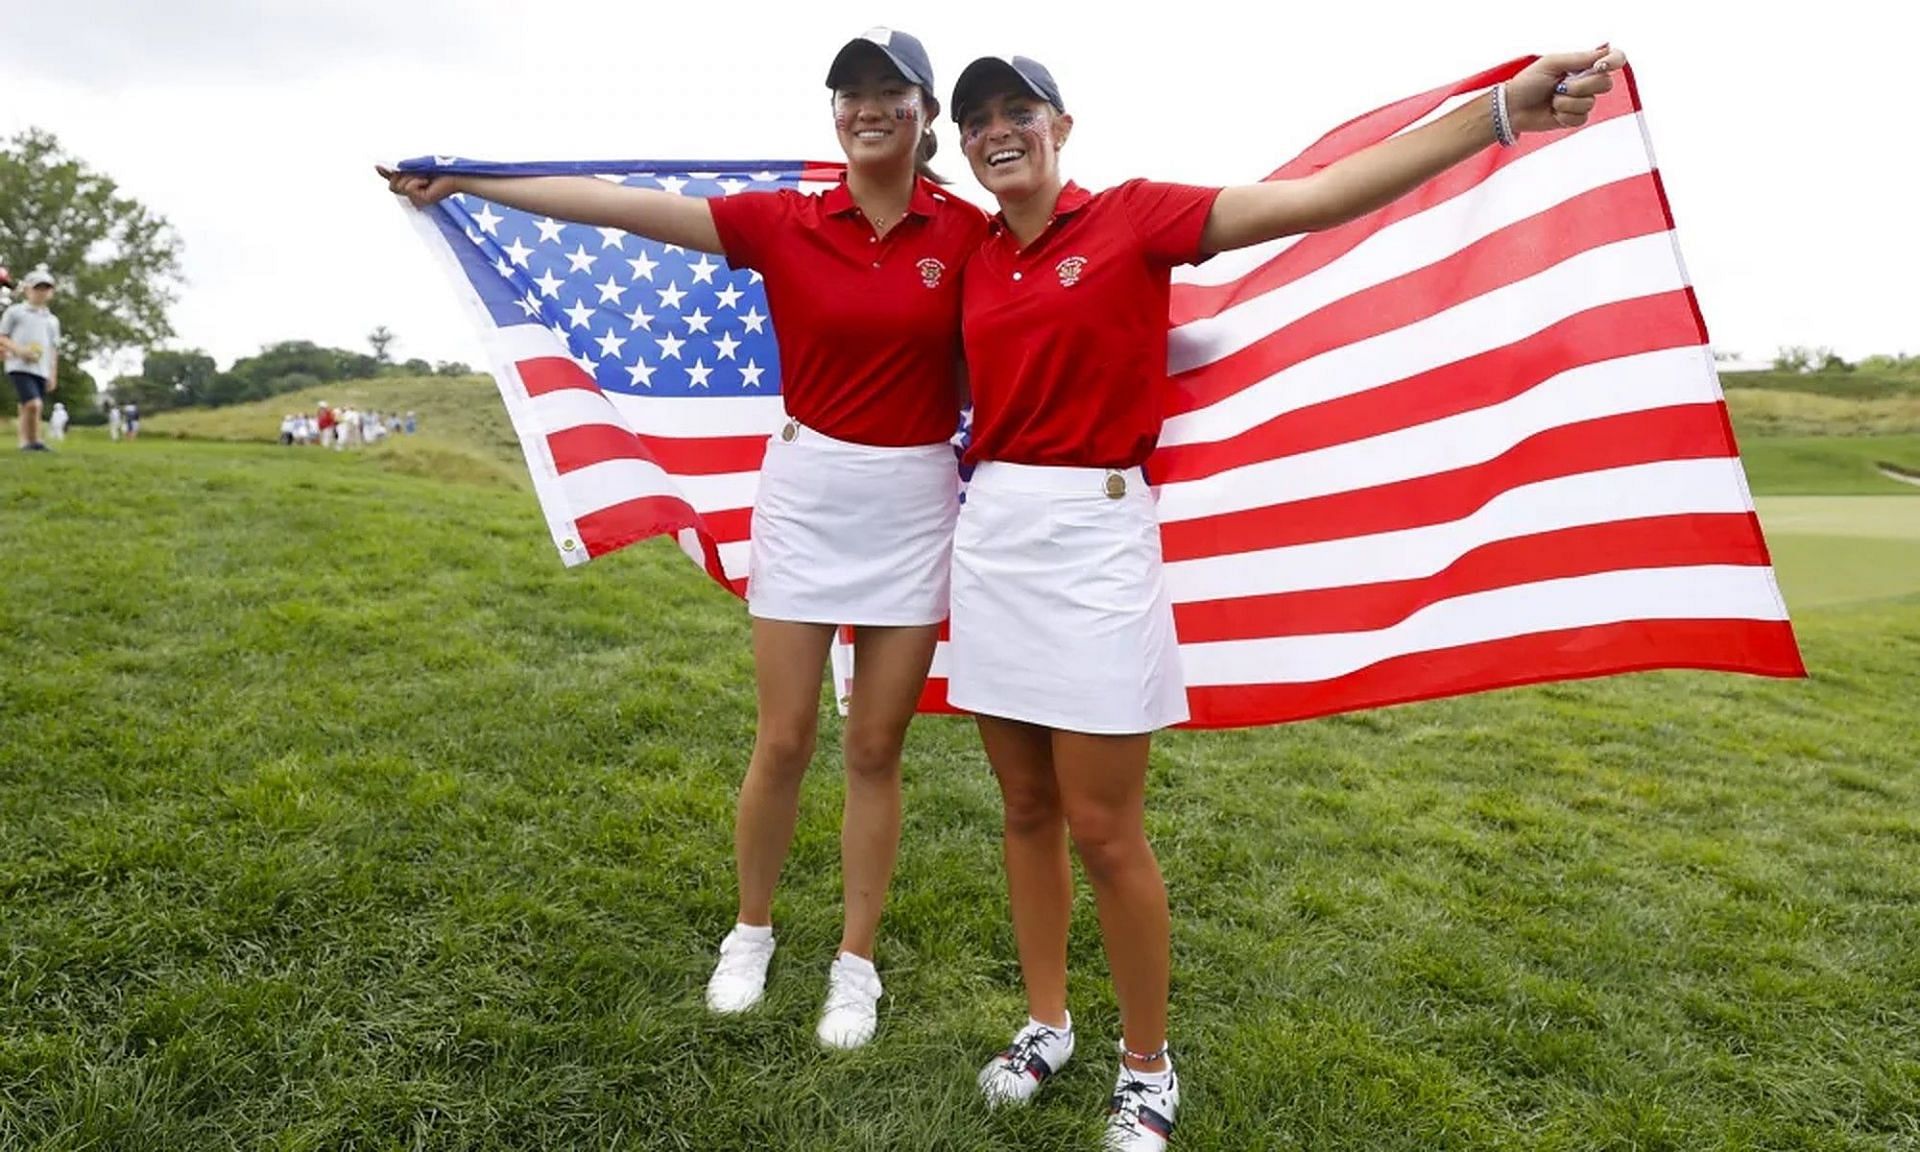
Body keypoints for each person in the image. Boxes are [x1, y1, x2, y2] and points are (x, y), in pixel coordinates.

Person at [945, 47, 1626, 1151]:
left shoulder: (1133, 217)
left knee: (1108, 830)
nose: (995, 130)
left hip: (1096, 539)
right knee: (1026, 810)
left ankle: (1147, 1068)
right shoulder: (968, 254)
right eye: (975, 120)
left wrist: (1496, 115)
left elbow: (1313, 199)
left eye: (1015, 110)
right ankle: (1045, 1025)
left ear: (1062, 124)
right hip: (992, 540)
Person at [382, 27, 988, 1050]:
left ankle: (856, 964)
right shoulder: (786, 222)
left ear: (928, 116)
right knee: (786, 737)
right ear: (833, 112)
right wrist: (475, 181)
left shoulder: (970, 234)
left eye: (892, 91)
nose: (868, 107)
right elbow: (627, 208)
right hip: (806, 493)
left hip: (914, 500)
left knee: (876, 747)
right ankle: (749, 933)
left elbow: (1077, 272)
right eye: (850, 92)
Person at [0, 267, 61, 451]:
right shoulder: (15, 312)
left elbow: (53, 349)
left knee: (30, 406)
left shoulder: (52, 320)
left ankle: (28, 442)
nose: (41, 292)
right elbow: (2, 336)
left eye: (46, 288)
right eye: (37, 288)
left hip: (41, 368)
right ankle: (32, 442)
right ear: (27, 290)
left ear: (51, 292)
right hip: (18, 365)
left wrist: (53, 374)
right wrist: (20, 351)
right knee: (34, 404)